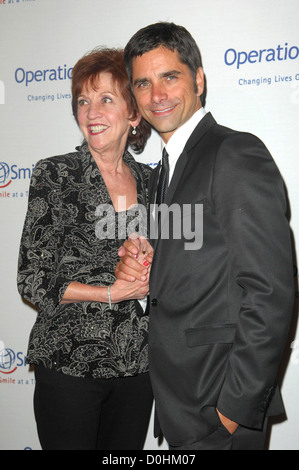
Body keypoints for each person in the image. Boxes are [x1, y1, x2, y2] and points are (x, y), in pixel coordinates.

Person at [115, 22, 295, 450]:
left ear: (198, 78)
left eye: (169, 77)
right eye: (143, 83)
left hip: (218, 405)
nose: (157, 95)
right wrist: (143, 273)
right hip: (180, 401)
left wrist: (230, 413)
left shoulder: (234, 152)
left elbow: (270, 291)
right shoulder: (162, 173)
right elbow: (194, 271)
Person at [17, 47, 153, 450]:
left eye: (106, 99)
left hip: (136, 366)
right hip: (67, 362)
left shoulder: (153, 181)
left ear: (133, 113)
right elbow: (32, 279)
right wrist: (111, 293)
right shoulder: (55, 173)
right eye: (83, 101)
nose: (91, 112)